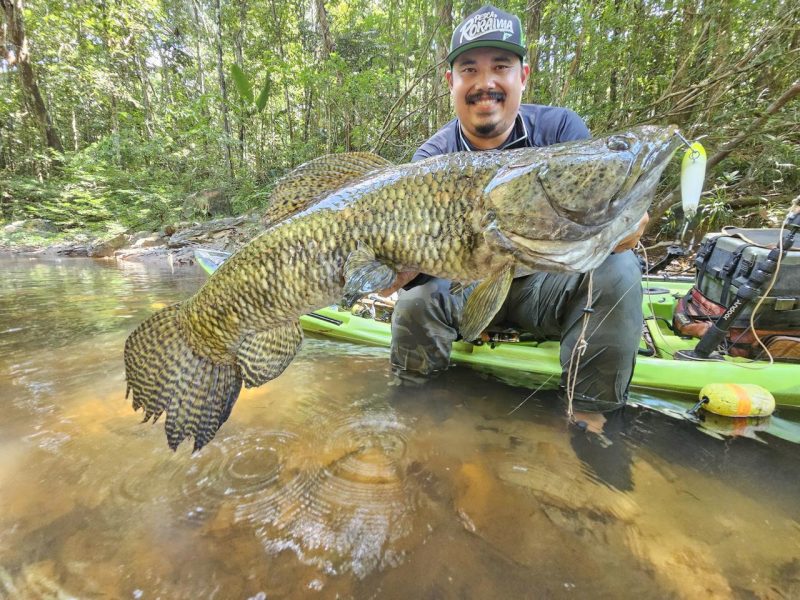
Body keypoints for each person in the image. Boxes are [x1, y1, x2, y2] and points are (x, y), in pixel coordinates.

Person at [383, 5, 648, 423]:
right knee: (416, 299)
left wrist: (620, 227)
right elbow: (420, 270)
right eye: (468, 69)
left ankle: (593, 424)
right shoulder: (430, 159)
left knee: (619, 269)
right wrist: (394, 269)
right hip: (463, 287)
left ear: (522, 76)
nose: (484, 83)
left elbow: (590, 224)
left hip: (543, 286)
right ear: (451, 81)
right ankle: (413, 420)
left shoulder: (563, 132)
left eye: (500, 67)